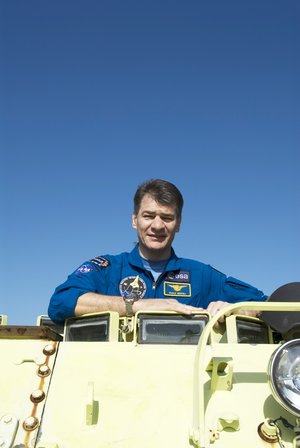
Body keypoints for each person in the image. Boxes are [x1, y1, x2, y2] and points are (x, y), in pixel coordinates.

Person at [48, 179, 266, 325]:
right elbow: (60, 302)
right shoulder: (107, 268)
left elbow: (265, 304)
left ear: (178, 223)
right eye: (149, 216)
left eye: (167, 218)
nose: (158, 226)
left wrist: (236, 311)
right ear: (135, 220)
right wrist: (135, 305)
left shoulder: (201, 274)